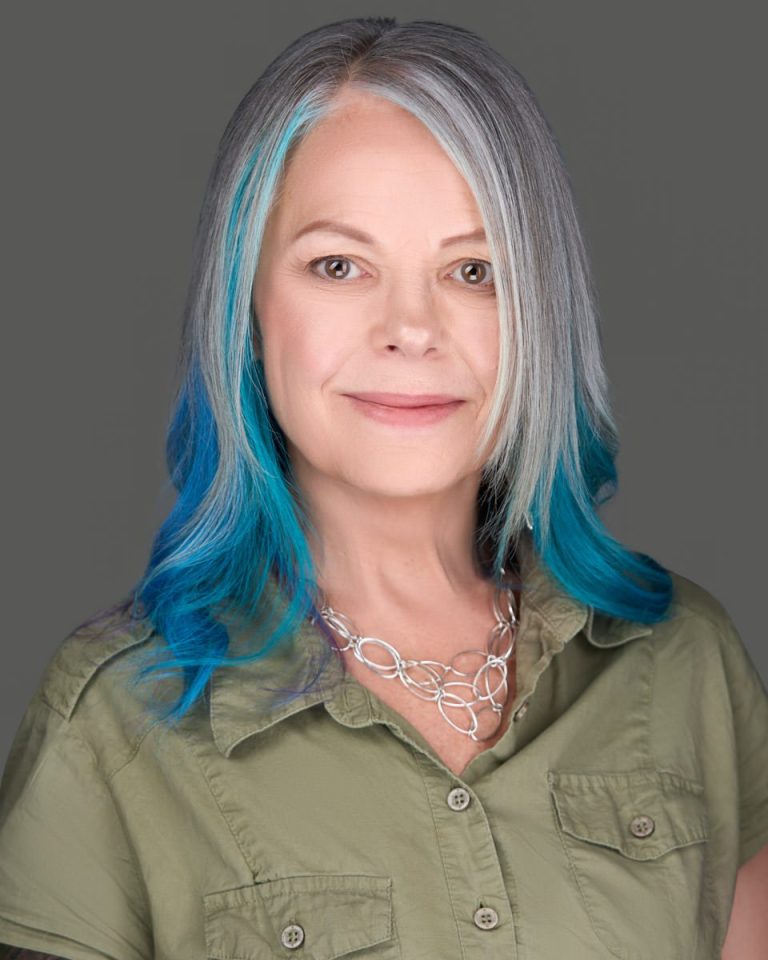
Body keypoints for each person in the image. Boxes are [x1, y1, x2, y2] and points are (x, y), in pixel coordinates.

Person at [0, 15, 766, 960]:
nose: (411, 327)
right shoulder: (111, 723)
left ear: (540, 313)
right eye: (338, 265)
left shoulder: (685, 663)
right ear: (247, 309)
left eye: (474, 271)